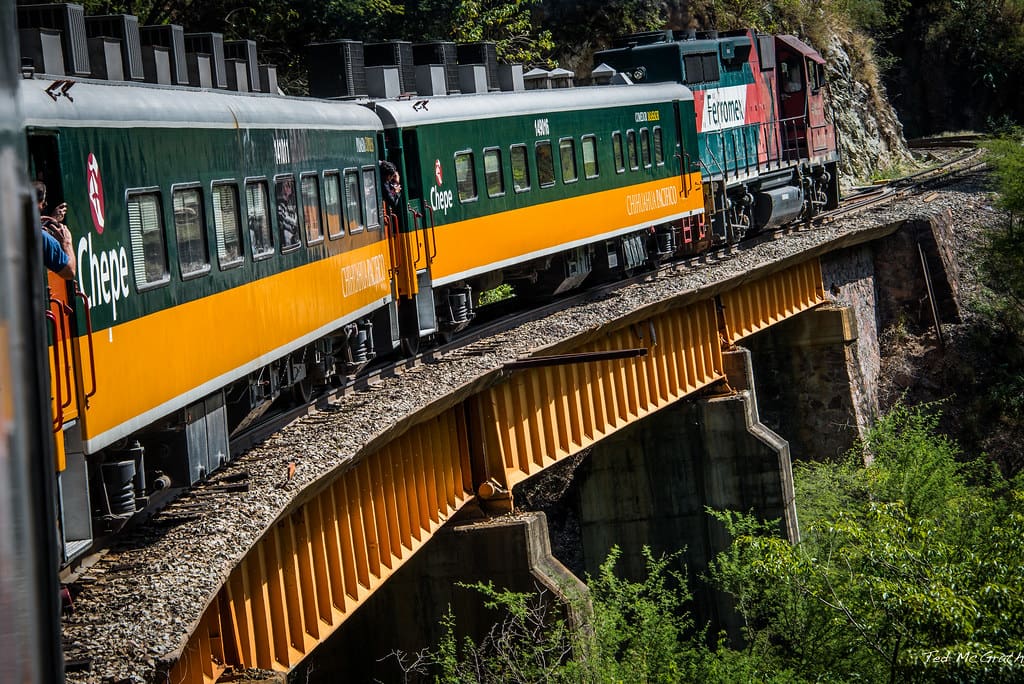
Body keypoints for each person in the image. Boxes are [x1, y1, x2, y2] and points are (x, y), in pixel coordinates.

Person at [34, 181, 76, 280]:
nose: (44, 206)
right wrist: (66, 243)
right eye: (43, 204)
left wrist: (48, 221)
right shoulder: (41, 237)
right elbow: (69, 271)